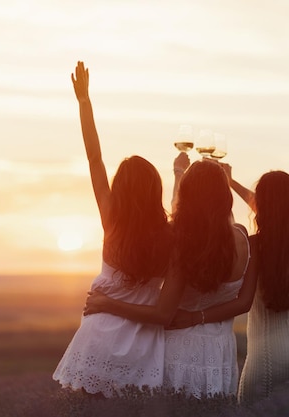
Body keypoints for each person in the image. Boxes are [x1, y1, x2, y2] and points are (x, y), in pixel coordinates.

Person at [85, 159, 256, 399]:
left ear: (187, 197)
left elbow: (163, 312)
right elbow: (244, 303)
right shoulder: (242, 238)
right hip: (220, 351)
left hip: (176, 351)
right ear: (225, 196)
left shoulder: (182, 244)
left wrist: (106, 303)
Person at [52, 61, 173, 397]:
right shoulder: (168, 237)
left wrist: (84, 102)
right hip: (143, 349)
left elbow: (94, 159)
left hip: (98, 339)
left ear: (119, 189)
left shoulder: (112, 222)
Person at [169, 167, 289, 404]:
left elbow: (243, 302)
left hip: (270, 356)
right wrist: (232, 182)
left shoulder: (253, 245)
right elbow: (276, 210)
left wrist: (194, 317)